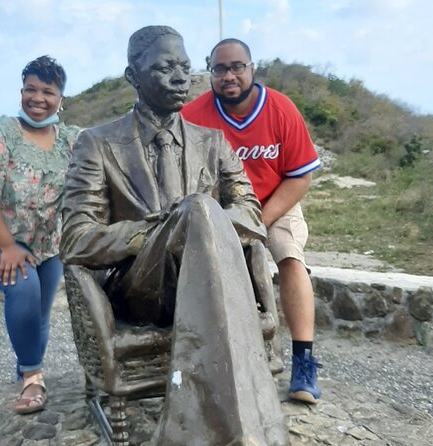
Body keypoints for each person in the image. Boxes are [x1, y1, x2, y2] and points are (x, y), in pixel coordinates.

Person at [60, 26, 287, 445]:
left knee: (200, 211)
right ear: (133, 76)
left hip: (211, 280)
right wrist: (168, 227)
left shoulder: (213, 142)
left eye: (184, 67)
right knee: (198, 209)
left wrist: (195, 222)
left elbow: (253, 215)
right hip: (142, 288)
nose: (181, 77)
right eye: (165, 68)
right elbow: (77, 239)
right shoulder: (96, 144)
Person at [182, 38, 323, 404]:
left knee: (290, 258)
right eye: (220, 69)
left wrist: (261, 220)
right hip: (222, 207)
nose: (229, 76)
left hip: (275, 201)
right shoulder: (194, 115)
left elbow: (300, 176)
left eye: (236, 67)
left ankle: (304, 362)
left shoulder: (280, 109)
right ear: (210, 72)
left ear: (251, 68)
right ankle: (216, 363)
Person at [0, 55, 80, 415]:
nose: (37, 98)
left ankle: (25, 379)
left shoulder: (71, 140)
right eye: (30, 89)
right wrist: (7, 246)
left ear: (61, 98)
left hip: (47, 246)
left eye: (48, 91)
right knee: (23, 285)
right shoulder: (1, 133)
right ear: (21, 91)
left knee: (38, 316)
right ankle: (32, 378)